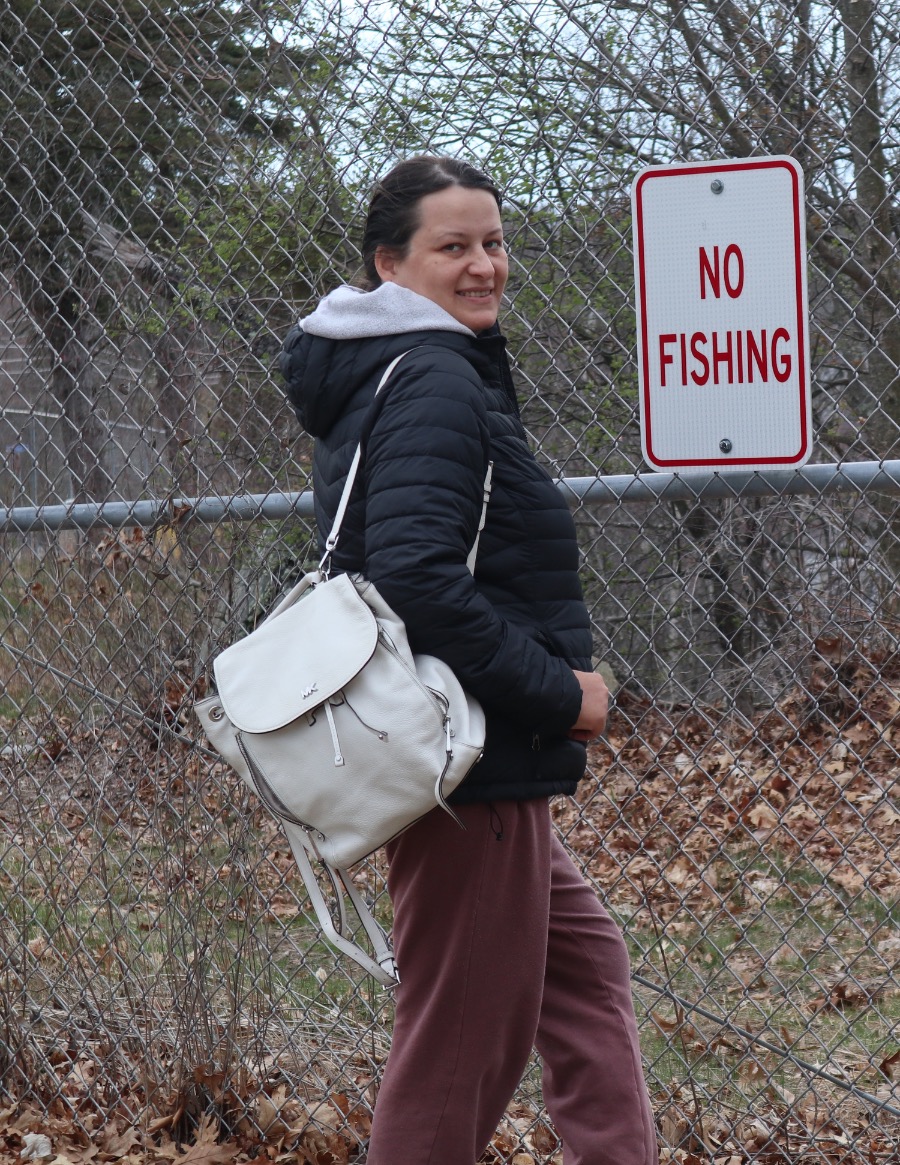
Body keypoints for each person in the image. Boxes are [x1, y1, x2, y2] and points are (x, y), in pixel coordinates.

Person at [280, 156, 658, 1165]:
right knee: (458, 1047)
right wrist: (561, 694)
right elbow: (417, 578)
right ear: (389, 263)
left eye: (493, 241)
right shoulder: (436, 375)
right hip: (468, 756)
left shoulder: (408, 365)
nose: (484, 265)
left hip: (475, 755)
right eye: (453, 246)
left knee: (583, 971)